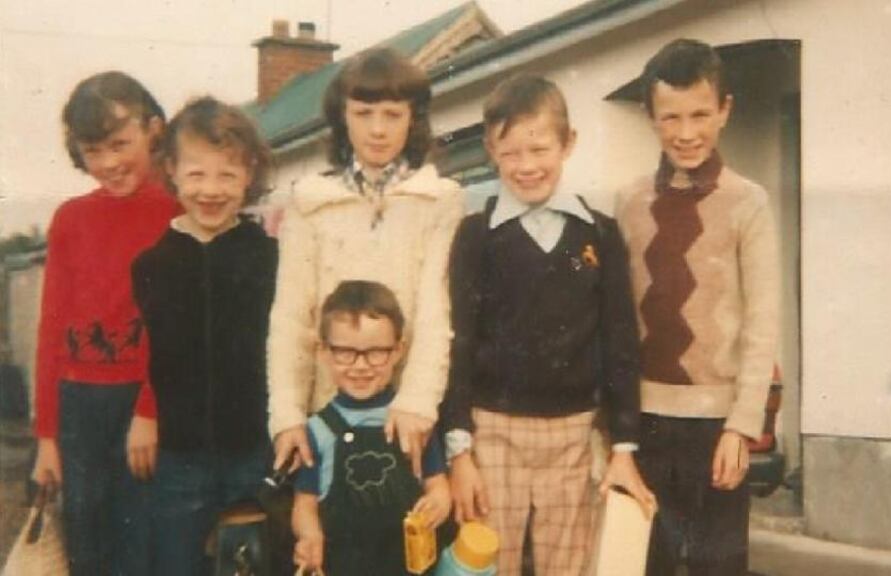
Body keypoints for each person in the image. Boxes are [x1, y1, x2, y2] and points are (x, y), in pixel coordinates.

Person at [441, 74, 655, 576]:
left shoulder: (599, 233)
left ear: (568, 143)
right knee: (487, 565)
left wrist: (623, 446)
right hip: (493, 433)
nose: (526, 165)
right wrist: (459, 450)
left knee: (569, 566)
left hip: (574, 436)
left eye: (539, 148)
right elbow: (459, 342)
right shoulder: (475, 235)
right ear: (491, 151)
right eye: (510, 152)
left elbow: (621, 342)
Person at [615, 39, 780, 575]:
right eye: (672, 118)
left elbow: (762, 320)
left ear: (725, 110)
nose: (687, 133)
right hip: (644, 425)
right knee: (647, 564)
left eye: (701, 115)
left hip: (717, 430)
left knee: (717, 566)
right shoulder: (628, 201)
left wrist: (742, 425)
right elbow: (615, 320)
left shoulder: (747, 201)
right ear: (651, 117)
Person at [268, 47, 463, 481]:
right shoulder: (309, 202)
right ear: (343, 117)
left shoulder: (439, 200)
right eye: (363, 113)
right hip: (328, 413)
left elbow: (435, 314)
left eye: (393, 115)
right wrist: (288, 415)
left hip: (405, 417)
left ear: (414, 118)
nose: (378, 130)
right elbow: (290, 319)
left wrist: (416, 403)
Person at [30, 70, 178, 575]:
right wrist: (47, 437)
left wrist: (150, 409)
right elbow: (51, 329)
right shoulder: (70, 219)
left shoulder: (180, 212)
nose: (109, 163)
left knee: (147, 551)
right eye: (94, 151)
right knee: (88, 554)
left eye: (120, 144)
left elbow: (177, 333)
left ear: (153, 129)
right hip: (80, 412)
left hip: (146, 402)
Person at [131, 96, 277, 575]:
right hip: (179, 454)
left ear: (249, 174)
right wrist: (145, 414)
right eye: (196, 174)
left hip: (253, 451)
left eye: (227, 175)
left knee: (252, 565)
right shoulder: (152, 265)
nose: (211, 190)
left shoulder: (268, 257)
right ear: (171, 170)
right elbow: (143, 354)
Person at [292, 280, 451, 575]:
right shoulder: (317, 430)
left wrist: (439, 503)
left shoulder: (414, 422)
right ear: (323, 351)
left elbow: (438, 484)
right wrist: (309, 536)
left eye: (376, 352)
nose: (361, 366)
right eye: (345, 352)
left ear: (398, 350)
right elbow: (305, 504)